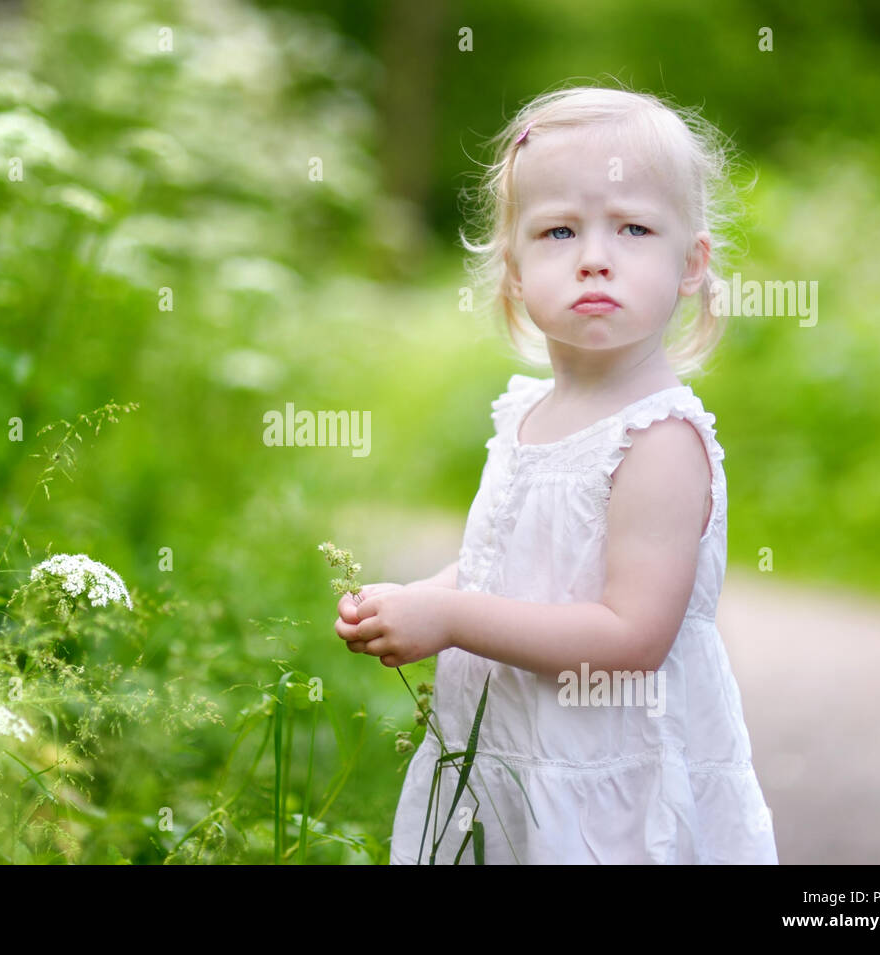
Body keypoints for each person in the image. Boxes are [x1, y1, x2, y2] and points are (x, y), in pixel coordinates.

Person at [333, 83, 778, 864]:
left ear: (690, 263)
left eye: (635, 228)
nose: (596, 257)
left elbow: (630, 636)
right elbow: (506, 563)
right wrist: (423, 598)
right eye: (559, 230)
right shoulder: (526, 413)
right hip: (513, 755)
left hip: (605, 785)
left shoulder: (658, 440)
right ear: (512, 266)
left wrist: (454, 621)